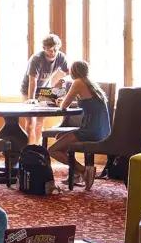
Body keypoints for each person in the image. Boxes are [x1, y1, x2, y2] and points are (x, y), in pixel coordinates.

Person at [46, 60, 111, 191]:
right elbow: (87, 103)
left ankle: (83, 170)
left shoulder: (78, 82)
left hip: (90, 130)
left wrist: (60, 102)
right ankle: (77, 173)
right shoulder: (90, 83)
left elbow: (64, 106)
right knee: (60, 136)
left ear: (73, 71)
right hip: (102, 130)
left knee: (53, 150)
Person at [20, 34, 69, 145]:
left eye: (55, 49)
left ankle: (38, 148)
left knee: (40, 122)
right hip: (28, 89)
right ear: (44, 49)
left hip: (44, 89)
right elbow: (33, 81)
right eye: (50, 50)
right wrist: (31, 99)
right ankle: (29, 148)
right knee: (30, 122)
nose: (53, 52)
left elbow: (69, 74)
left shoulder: (61, 57)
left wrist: (63, 90)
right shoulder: (37, 59)